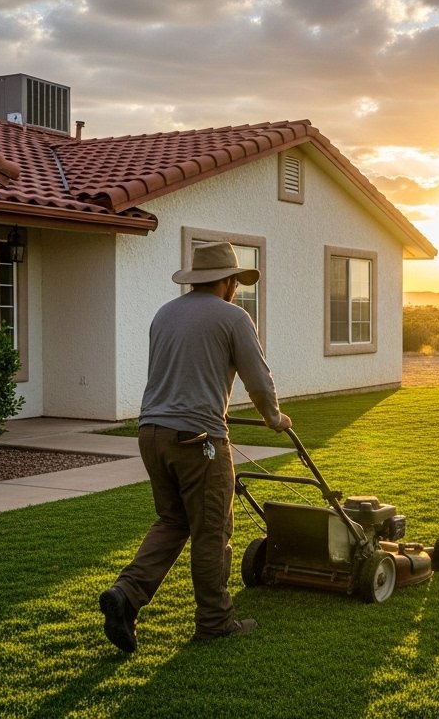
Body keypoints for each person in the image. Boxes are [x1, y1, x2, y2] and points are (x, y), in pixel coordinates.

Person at [99, 241, 291, 653]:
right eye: (236, 281)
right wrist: (274, 418)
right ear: (226, 282)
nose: (237, 289)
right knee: (212, 530)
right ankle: (215, 622)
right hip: (199, 440)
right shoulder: (234, 317)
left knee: (172, 521)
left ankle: (126, 595)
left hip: (151, 433)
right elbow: (257, 379)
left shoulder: (164, 314)